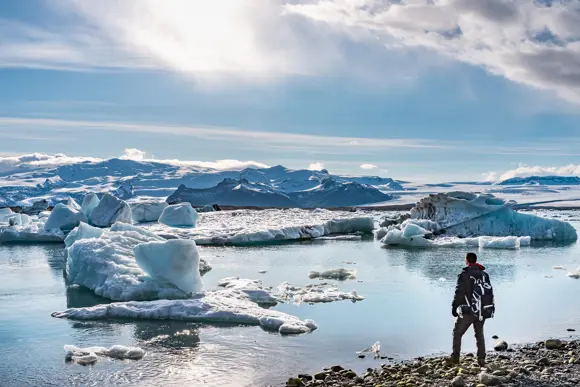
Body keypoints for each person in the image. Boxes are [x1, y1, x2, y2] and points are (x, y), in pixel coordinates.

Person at [450, 252, 494, 366]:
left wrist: (454, 307)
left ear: (466, 261)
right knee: (479, 334)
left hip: (468, 310)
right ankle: (481, 359)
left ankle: (455, 358)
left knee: (457, 332)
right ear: (476, 260)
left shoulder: (464, 274)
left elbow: (459, 292)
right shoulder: (484, 274)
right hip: (482, 310)